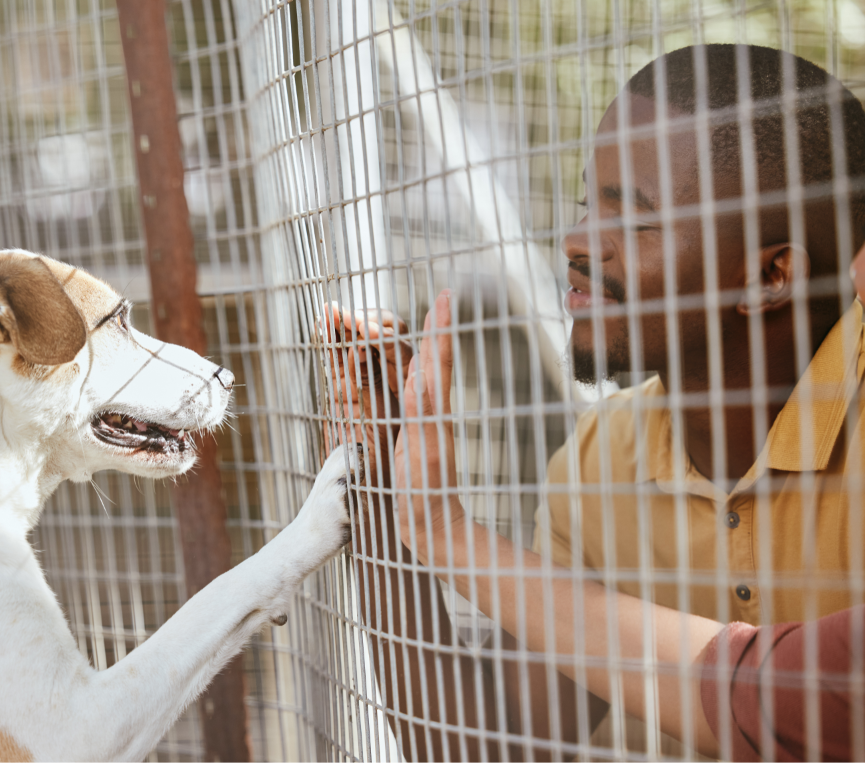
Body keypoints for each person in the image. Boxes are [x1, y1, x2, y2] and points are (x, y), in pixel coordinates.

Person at [328, 43, 865, 760]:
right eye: (588, 205)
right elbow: (493, 750)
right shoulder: (595, 458)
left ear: (770, 274)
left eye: (635, 221)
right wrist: (380, 493)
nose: (577, 242)